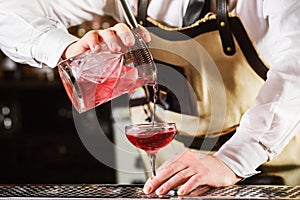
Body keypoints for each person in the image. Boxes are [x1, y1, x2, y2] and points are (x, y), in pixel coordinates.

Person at [1, 0, 300, 196]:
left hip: (276, 170)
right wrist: (66, 49)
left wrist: (233, 160)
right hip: (173, 173)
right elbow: (7, 12)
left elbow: (296, 71)